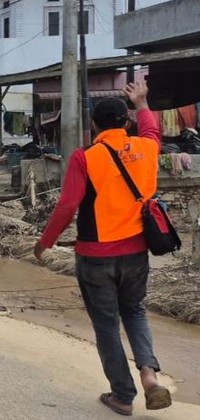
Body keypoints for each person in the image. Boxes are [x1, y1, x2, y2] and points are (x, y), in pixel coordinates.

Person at [35, 81, 172, 416]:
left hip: (96, 256)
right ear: (126, 124)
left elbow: (67, 207)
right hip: (137, 252)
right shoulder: (146, 147)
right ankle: (149, 375)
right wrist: (141, 101)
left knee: (107, 324)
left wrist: (44, 243)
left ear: (93, 125)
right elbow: (153, 128)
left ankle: (123, 395)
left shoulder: (86, 158)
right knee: (135, 311)